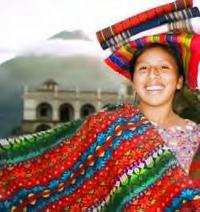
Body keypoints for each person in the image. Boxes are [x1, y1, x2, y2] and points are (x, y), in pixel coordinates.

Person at [0, 0, 200, 211]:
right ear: (132, 79)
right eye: (143, 68)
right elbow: (41, 158)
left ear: (179, 80)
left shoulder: (196, 134)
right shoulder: (108, 125)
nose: (153, 75)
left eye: (164, 67)